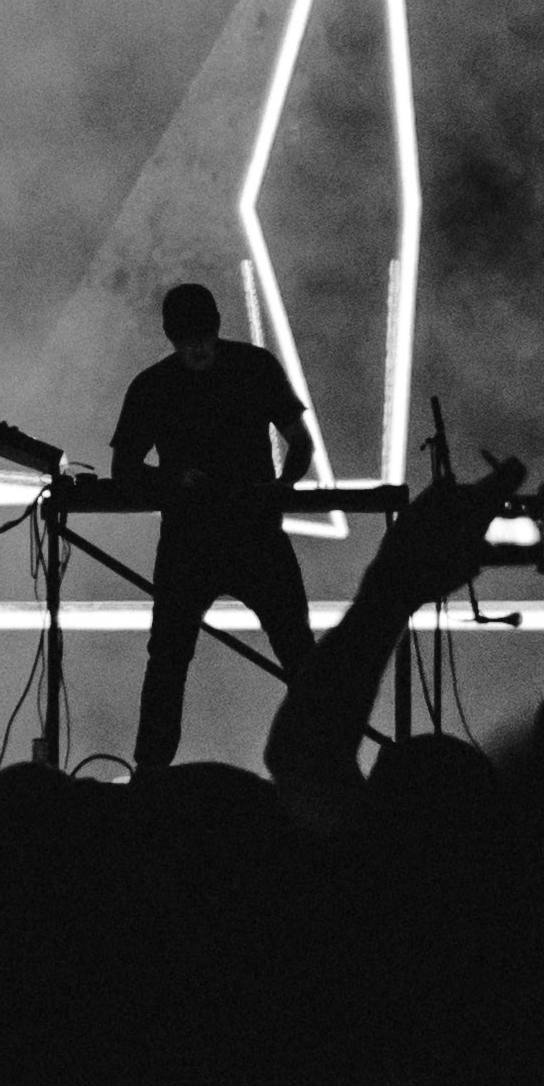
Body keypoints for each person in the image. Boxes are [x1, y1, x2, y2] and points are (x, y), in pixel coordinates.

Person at [111, 280, 315, 774]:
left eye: (202, 338)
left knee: (294, 653)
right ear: (171, 337)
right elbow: (124, 469)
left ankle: (151, 776)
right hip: (210, 538)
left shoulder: (241, 369)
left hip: (238, 533)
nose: (198, 349)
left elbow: (300, 442)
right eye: (188, 341)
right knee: (170, 659)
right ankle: (152, 771)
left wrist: (283, 483)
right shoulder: (237, 369)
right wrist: (174, 478)